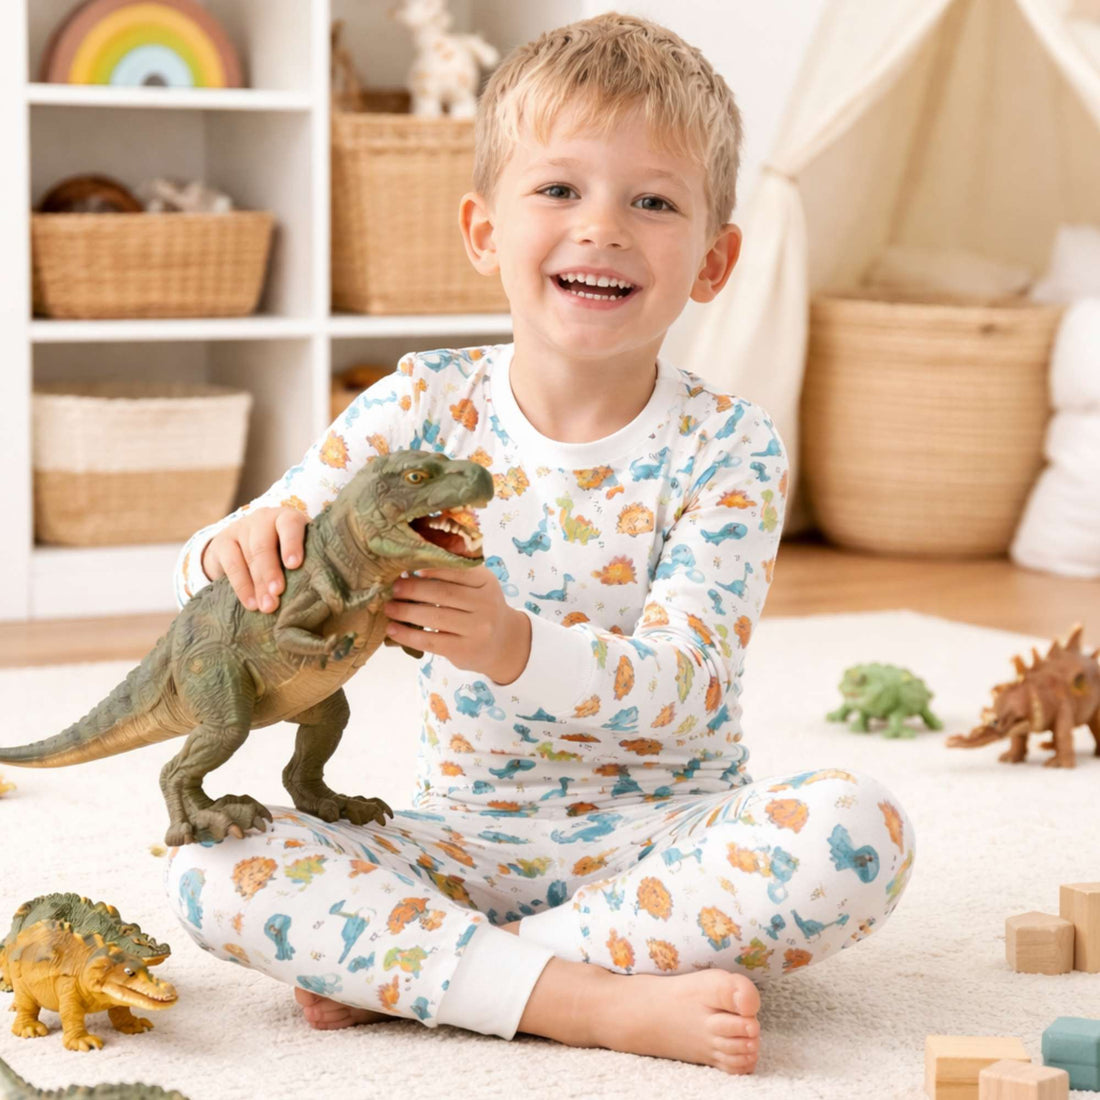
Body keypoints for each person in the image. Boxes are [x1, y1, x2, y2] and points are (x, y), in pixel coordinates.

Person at [165, 13, 915, 1076]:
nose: (601, 228)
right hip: (460, 839)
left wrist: (514, 645)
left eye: (651, 201)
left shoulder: (727, 445)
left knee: (856, 828)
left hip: (670, 834)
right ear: (482, 230)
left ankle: (457, 981)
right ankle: (591, 998)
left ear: (712, 260)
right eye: (558, 189)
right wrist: (220, 549)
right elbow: (249, 541)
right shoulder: (420, 402)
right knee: (212, 863)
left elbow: (688, 682)